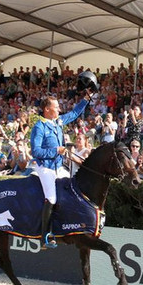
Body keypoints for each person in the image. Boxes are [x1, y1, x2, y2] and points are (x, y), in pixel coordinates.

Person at [30, 82, 93, 248]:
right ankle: (45, 236)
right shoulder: (39, 126)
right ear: (47, 109)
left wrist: (86, 99)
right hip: (45, 167)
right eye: (56, 107)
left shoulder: (57, 121)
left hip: (58, 167)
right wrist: (56, 150)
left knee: (73, 189)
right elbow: (36, 152)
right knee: (51, 197)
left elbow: (73, 114)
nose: (59, 109)